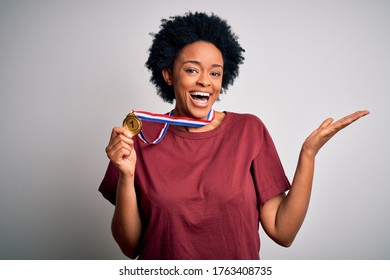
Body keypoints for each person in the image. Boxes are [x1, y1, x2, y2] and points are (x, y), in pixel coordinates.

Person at [99, 12, 369, 260]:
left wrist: (308, 154)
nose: (205, 81)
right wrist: (127, 175)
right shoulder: (139, 138)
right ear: (169, 74)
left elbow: (282, 232)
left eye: (215, 72)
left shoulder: (249, 131)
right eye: (192, 69)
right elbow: (130, 247)